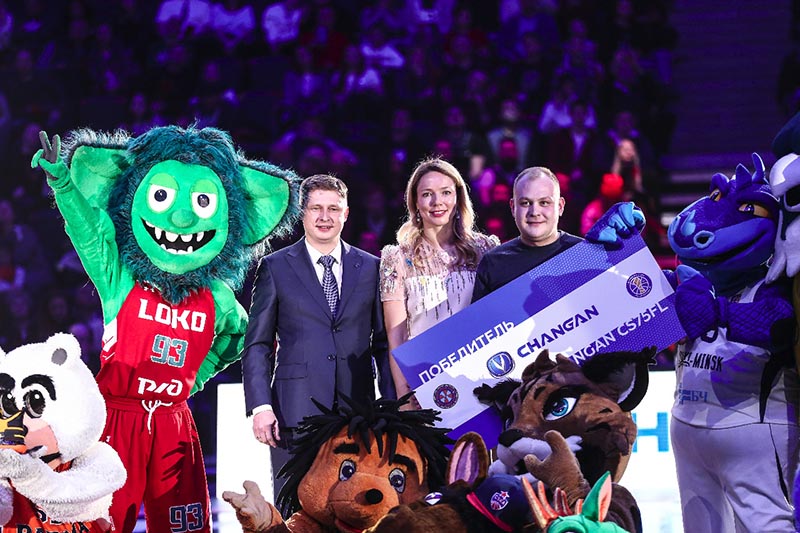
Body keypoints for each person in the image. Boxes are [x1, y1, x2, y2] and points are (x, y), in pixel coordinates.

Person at [241, 174, 396, 498]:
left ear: (346, 213)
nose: (325, 217)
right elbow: (257, 344)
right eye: (316, 208)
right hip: (294, 411)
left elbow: (382, 345)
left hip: (357, 412)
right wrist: (260, 407)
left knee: (353, 506)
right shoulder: (275, 267)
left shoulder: (371, 267)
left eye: (333, 209)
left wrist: (391, 405)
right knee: (295, 506)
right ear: (302, 212)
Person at [380, 158, 499, 404]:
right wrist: (405, 397)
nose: (437, 202)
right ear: (415, 202)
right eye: (427, 194)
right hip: (426, 386)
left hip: (481, 380)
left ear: (458, 198)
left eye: (446, 192)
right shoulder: (397, 258)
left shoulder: (485, 250)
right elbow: (397, 338)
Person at [472, 166, 642, 302]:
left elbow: (625, 300)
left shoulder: (585, 254)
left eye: (544, 202)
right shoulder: (493, 262)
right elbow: (478, 329)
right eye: (525, 203)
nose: (534, 212)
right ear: (512, 207)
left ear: (560, 207)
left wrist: (627, 251)